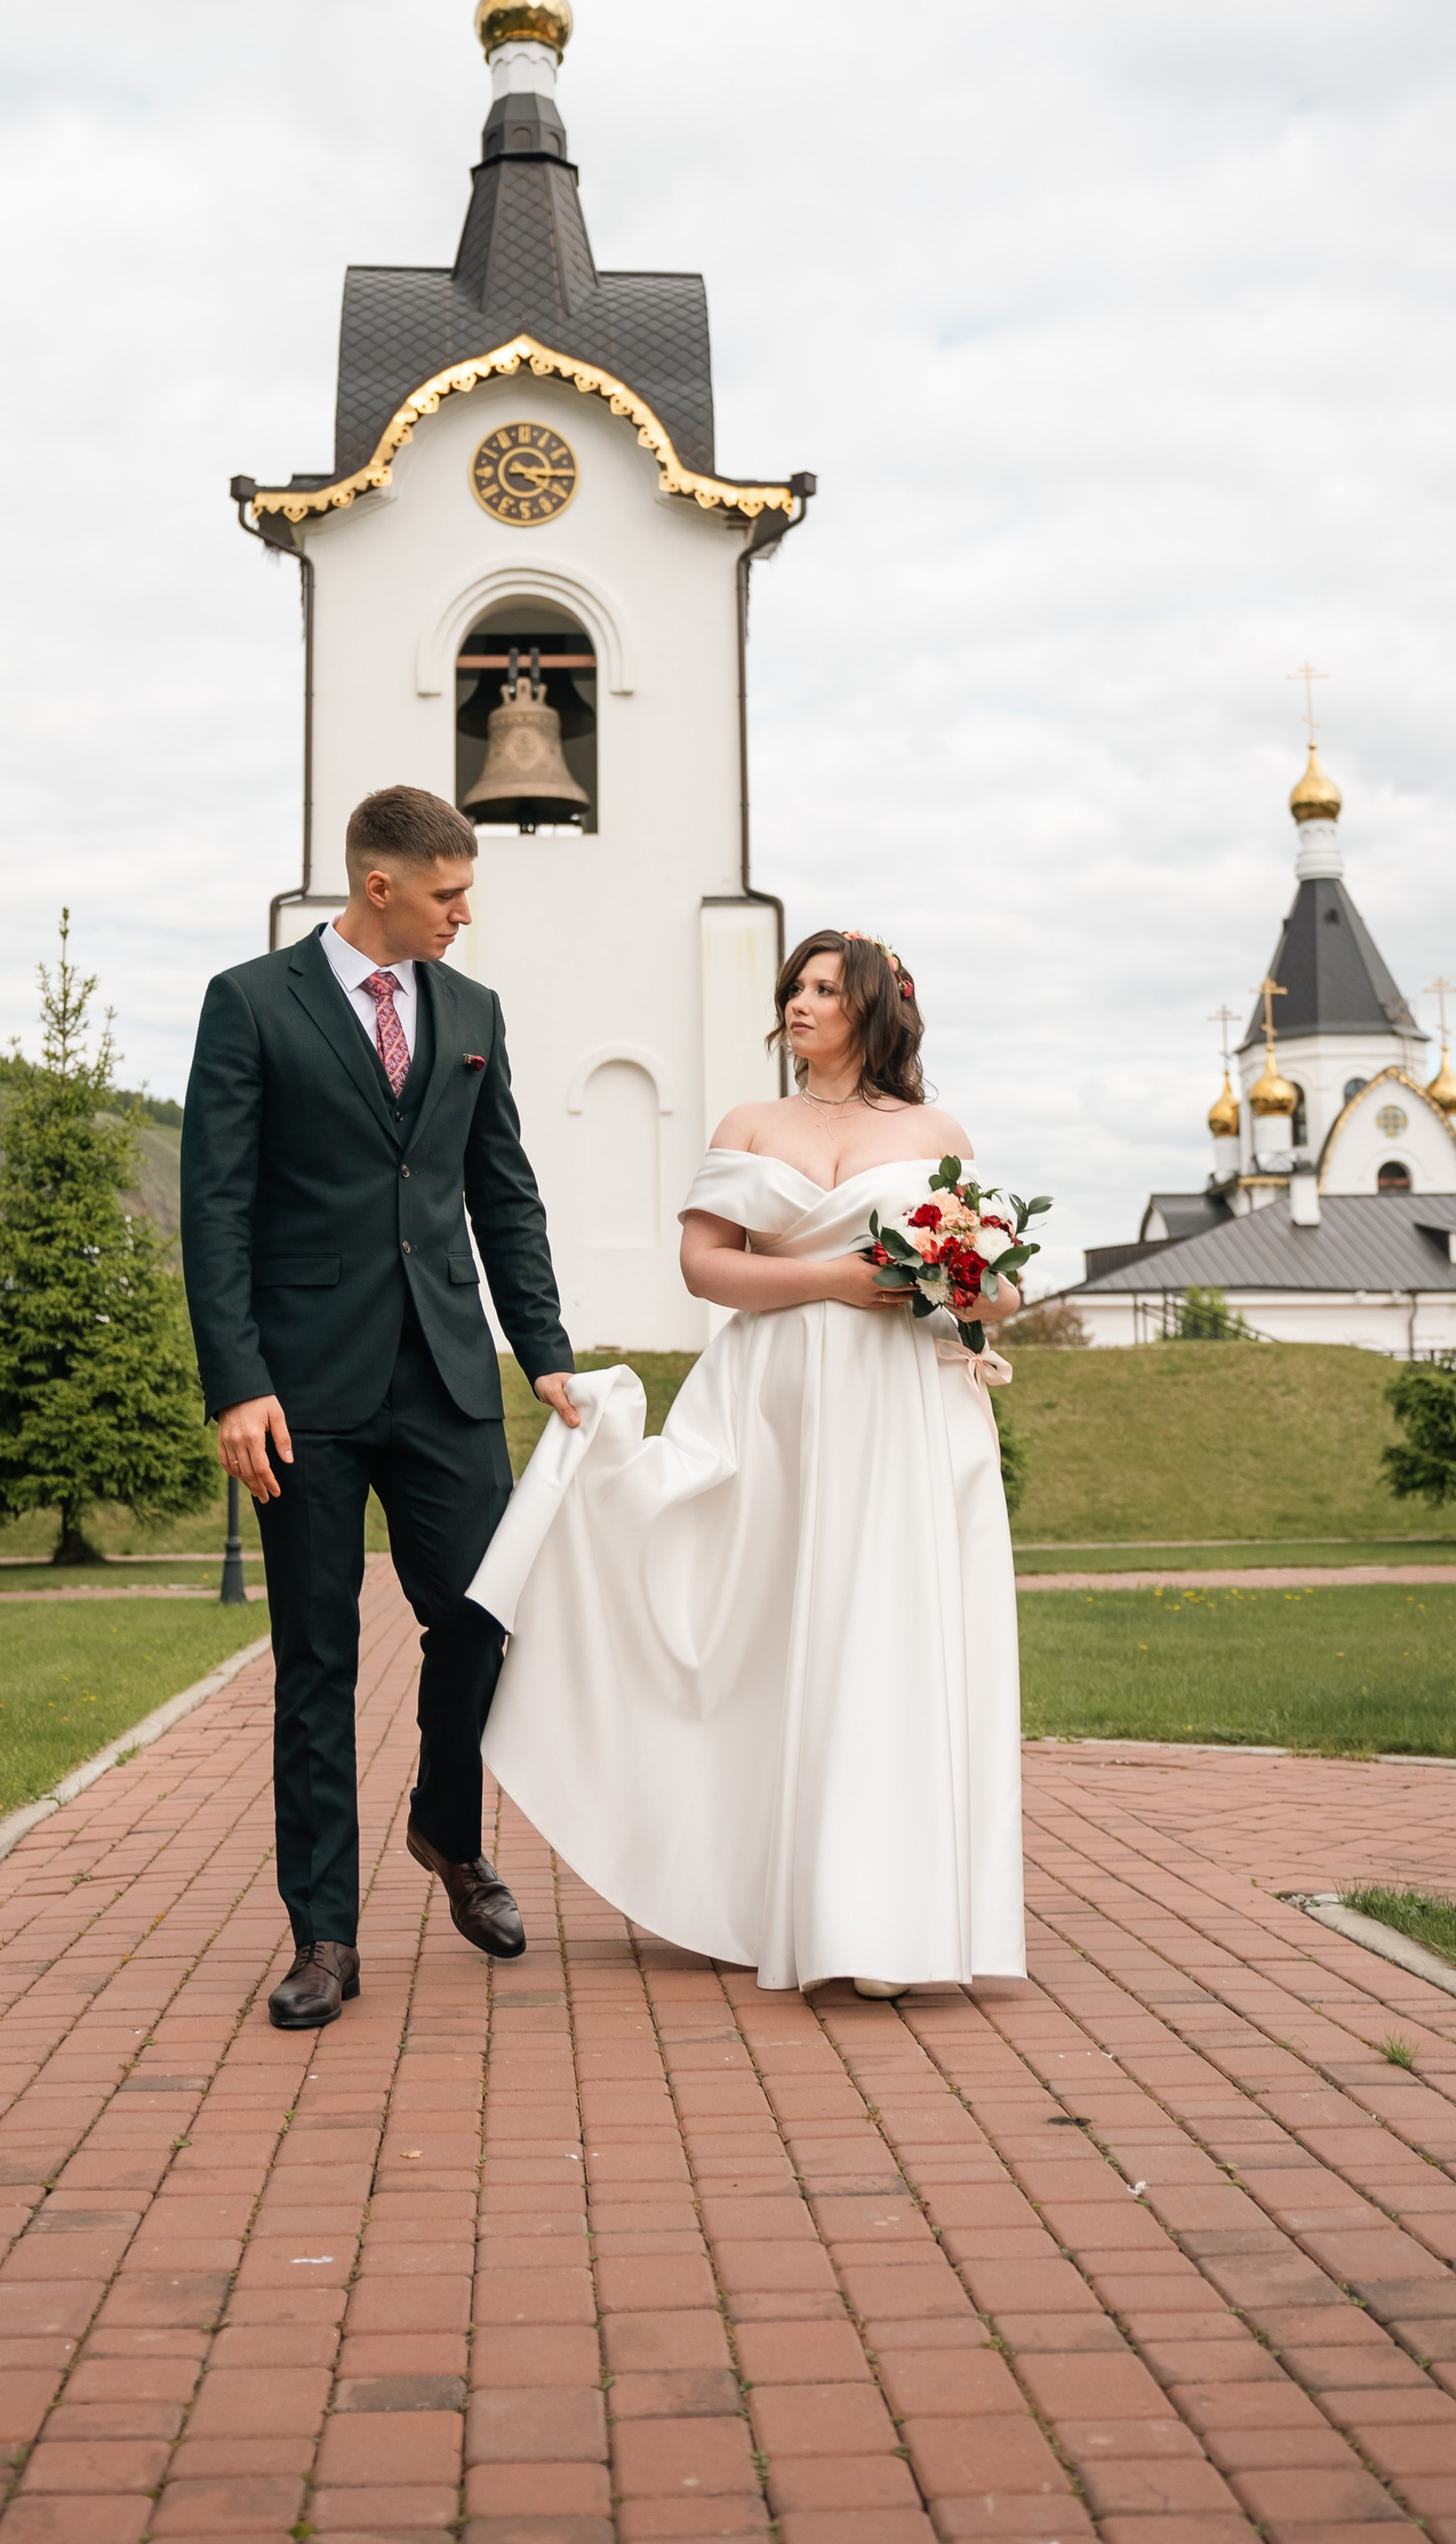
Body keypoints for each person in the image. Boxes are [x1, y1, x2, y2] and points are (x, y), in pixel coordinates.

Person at [470, 930, 1026, 1998]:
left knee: (889, 1633)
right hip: (771, 1405)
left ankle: (882, 1916)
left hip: (904, 1406)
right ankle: (751, 1881)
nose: (801, 1003)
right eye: (795, 988)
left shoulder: (935, 1131)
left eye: (825, 988)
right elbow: (705, 1267)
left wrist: (951, 1284)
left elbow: (993, 1292)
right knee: (762, 1627)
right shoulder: (749, 1124)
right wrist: (832, 1279)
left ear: (876, 1008)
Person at [181, 784, 581, 2030]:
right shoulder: (251, 1004)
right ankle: (325, 1936)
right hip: (303, 1388)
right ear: (379, 888)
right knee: (318, 1658)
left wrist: (545, 1351)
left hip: (448, 1375)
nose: (465, 916)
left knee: (481, 1616)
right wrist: (237, 1382)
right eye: (449, 894)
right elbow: (216, 1208)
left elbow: (502, 1194)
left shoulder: (472, 1013)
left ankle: (446, 1833)